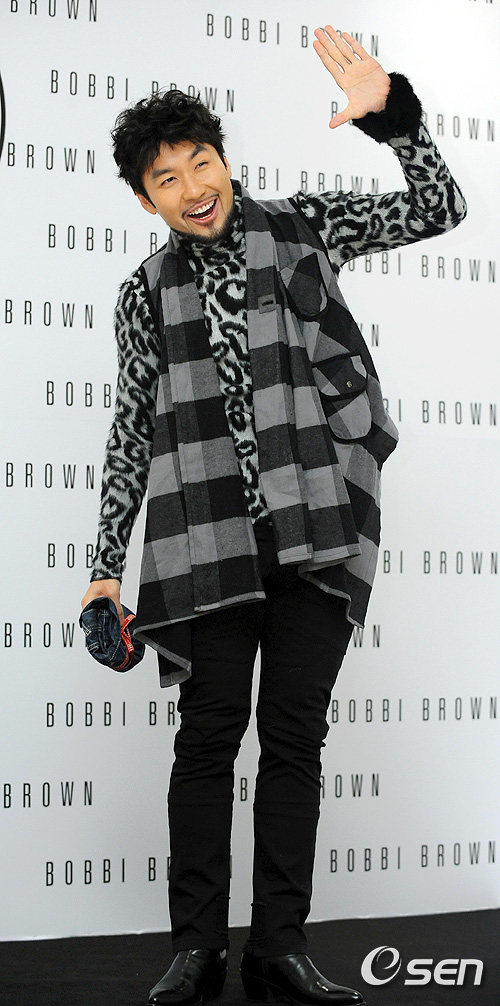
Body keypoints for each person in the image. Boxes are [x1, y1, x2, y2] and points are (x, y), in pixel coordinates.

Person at [81, 25, 466, 1006]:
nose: (192, 187)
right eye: (166, 178)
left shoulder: (302, 226)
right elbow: (131, 430)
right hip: (205, 544)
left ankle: (279, 948)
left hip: (316, 528)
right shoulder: (143, 295)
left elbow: (439, 207)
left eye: (200, 162)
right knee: (207, 740)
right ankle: (197, 949)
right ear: (145, 199)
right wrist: (102, 572)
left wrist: (396, 121)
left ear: (224, 159)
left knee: (294, 738)